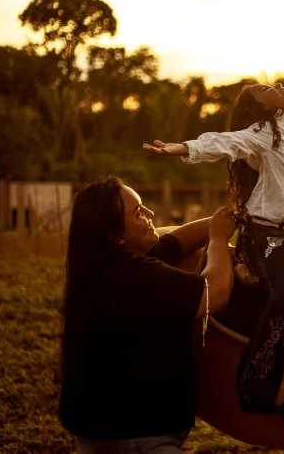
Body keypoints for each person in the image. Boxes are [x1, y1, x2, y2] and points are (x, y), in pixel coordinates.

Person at [142, 82, 284, 412]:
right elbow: (225, 142)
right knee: (281, 294)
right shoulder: (263, 133)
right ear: (263, 108)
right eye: (265, 90)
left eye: (273, 84)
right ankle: (257, 379)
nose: (277, 85)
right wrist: (180, 148)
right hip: (265, 235)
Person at [58, 175, 236, 453]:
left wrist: (230, 217)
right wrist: (219, 239)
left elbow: (174, 240)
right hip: (140, 437)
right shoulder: (136, 277)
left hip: (100, 431)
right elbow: (215, 292)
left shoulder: (98, 267)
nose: (151, 214)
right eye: (139, 212)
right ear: (114, 234)